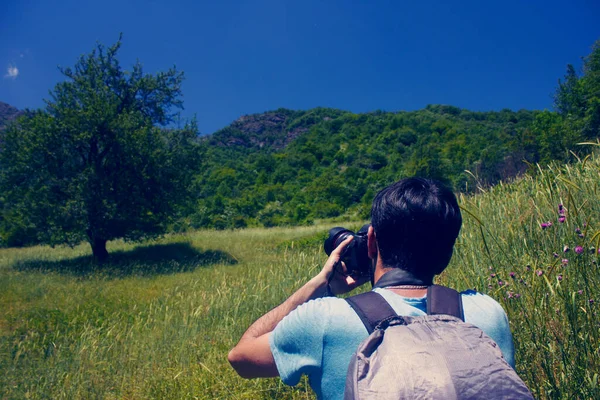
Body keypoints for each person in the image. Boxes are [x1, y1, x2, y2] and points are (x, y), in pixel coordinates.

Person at [228, 177, 515, 400]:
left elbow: (240, 358)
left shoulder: (327, 319)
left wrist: (319, 285)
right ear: (447, 253)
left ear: (371, 242)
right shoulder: (488, 313)